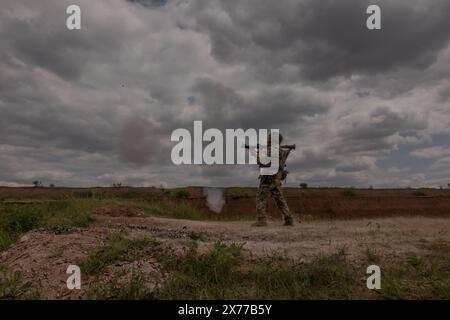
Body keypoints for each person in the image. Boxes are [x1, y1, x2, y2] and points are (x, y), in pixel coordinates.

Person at [252, 133, 294, 227]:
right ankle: (289, 219)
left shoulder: (269, 150)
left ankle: (261, 220)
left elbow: (262, 161)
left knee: (261, 198)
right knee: (280, 200)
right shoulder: (281, 151)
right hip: (276, 178)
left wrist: (259, 152)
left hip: (267, 178)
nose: (268, 139)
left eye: (269, 138)